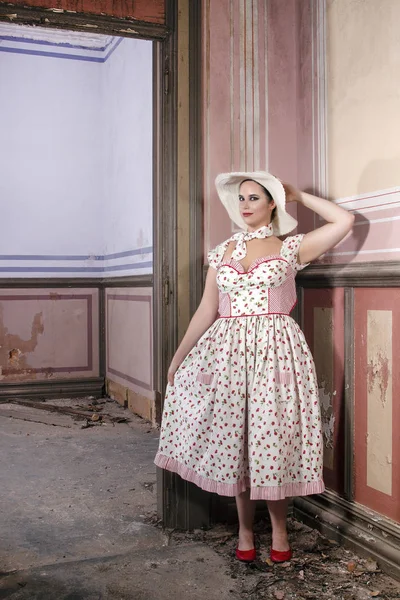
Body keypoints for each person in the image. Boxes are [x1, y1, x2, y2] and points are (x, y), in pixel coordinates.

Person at [155, 171, 354, 563]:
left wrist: (298, 194)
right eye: (241, 198)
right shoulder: (222, 252)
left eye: (254, 198)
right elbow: (205, 310)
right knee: (236, 443)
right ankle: (245, 530)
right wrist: (178, 358)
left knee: (270, 439)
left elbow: (344, 222)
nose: (245, 205)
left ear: (272, 204)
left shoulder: (290, 247)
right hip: (226, 354)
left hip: (275, 354)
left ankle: (279, 531)